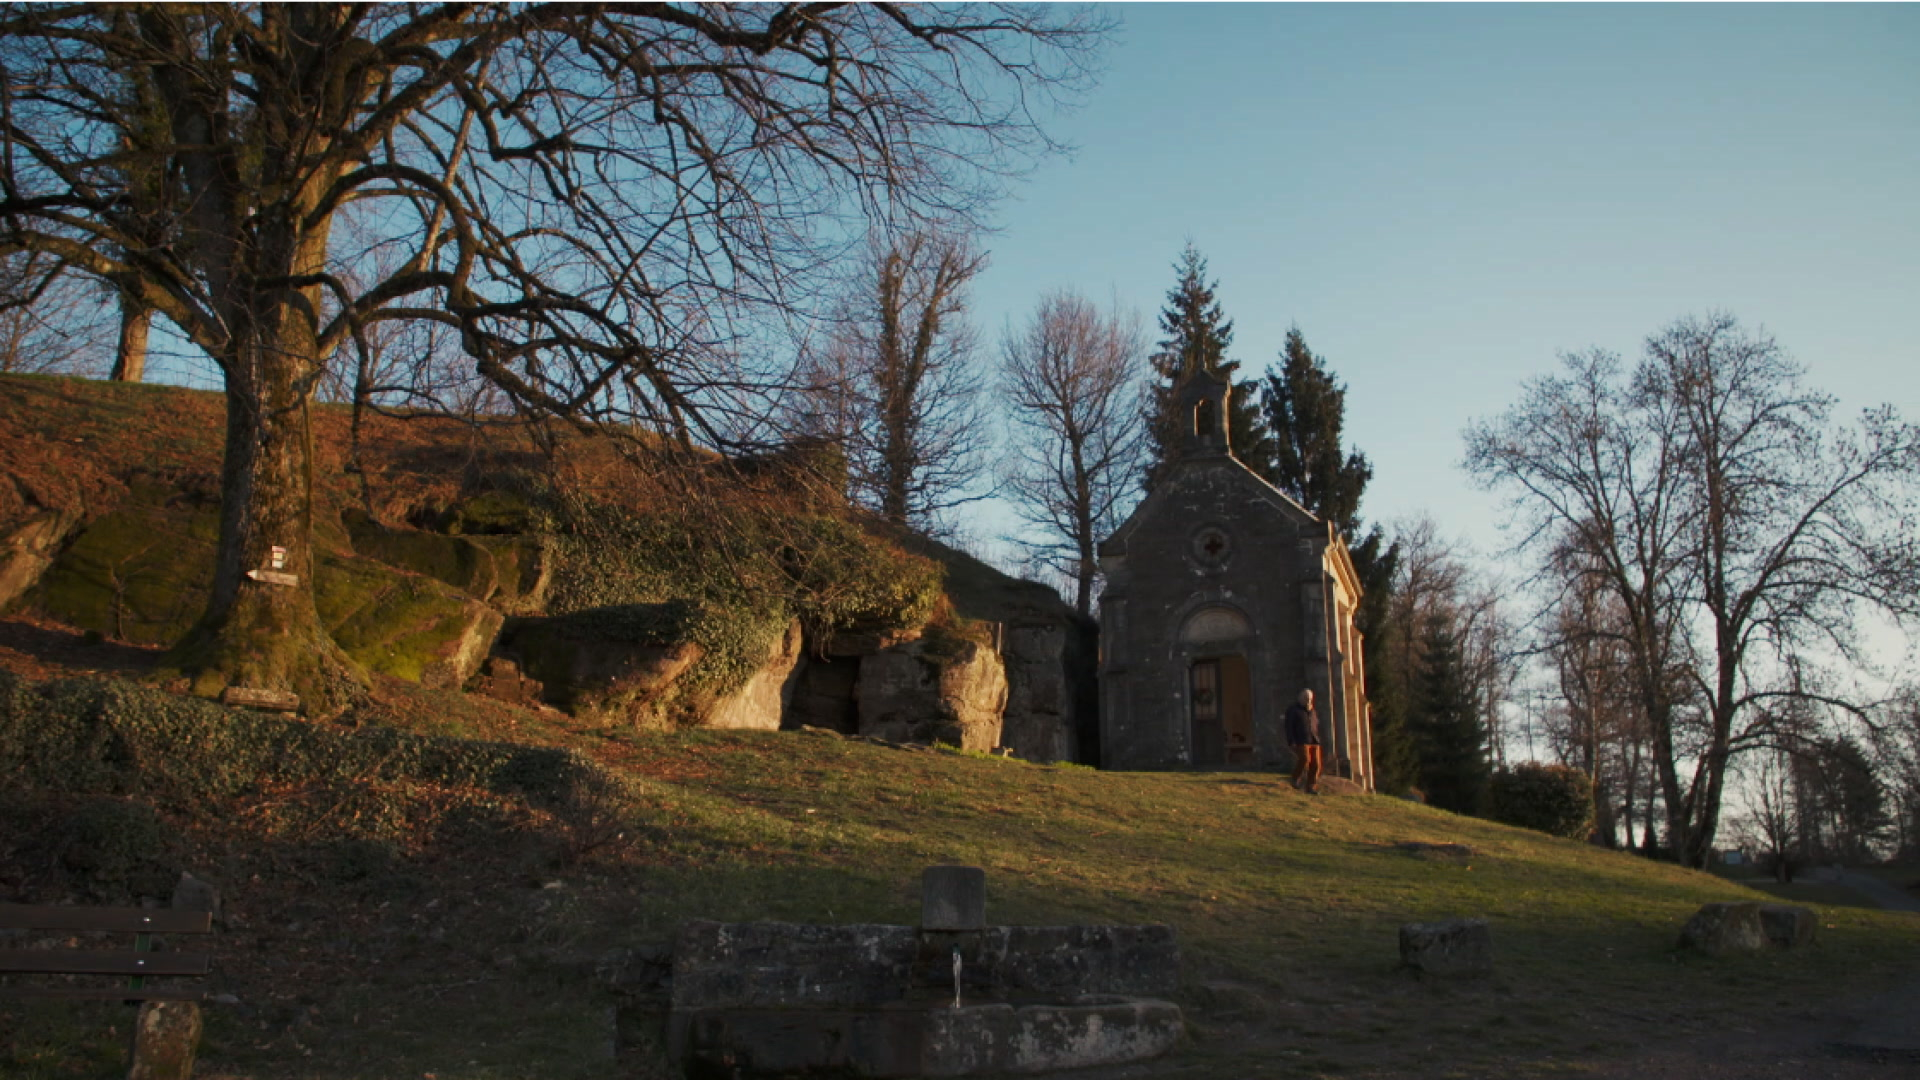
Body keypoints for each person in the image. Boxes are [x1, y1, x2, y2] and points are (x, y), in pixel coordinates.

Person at [1285, 688, 1322, 794]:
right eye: (1306, 698)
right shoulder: (1293, 710)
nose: (1308, 701)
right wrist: (1291, 741)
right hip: (1300, 740)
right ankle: (1295, 778)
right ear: (1300, 697)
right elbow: (1289, 727)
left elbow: (1315, 725)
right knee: (1305, 759)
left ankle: (1311, 786)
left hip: (1314, 740)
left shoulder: (1312, 711)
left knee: (1316, 764)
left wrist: (1317, 737)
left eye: (1310, 699)